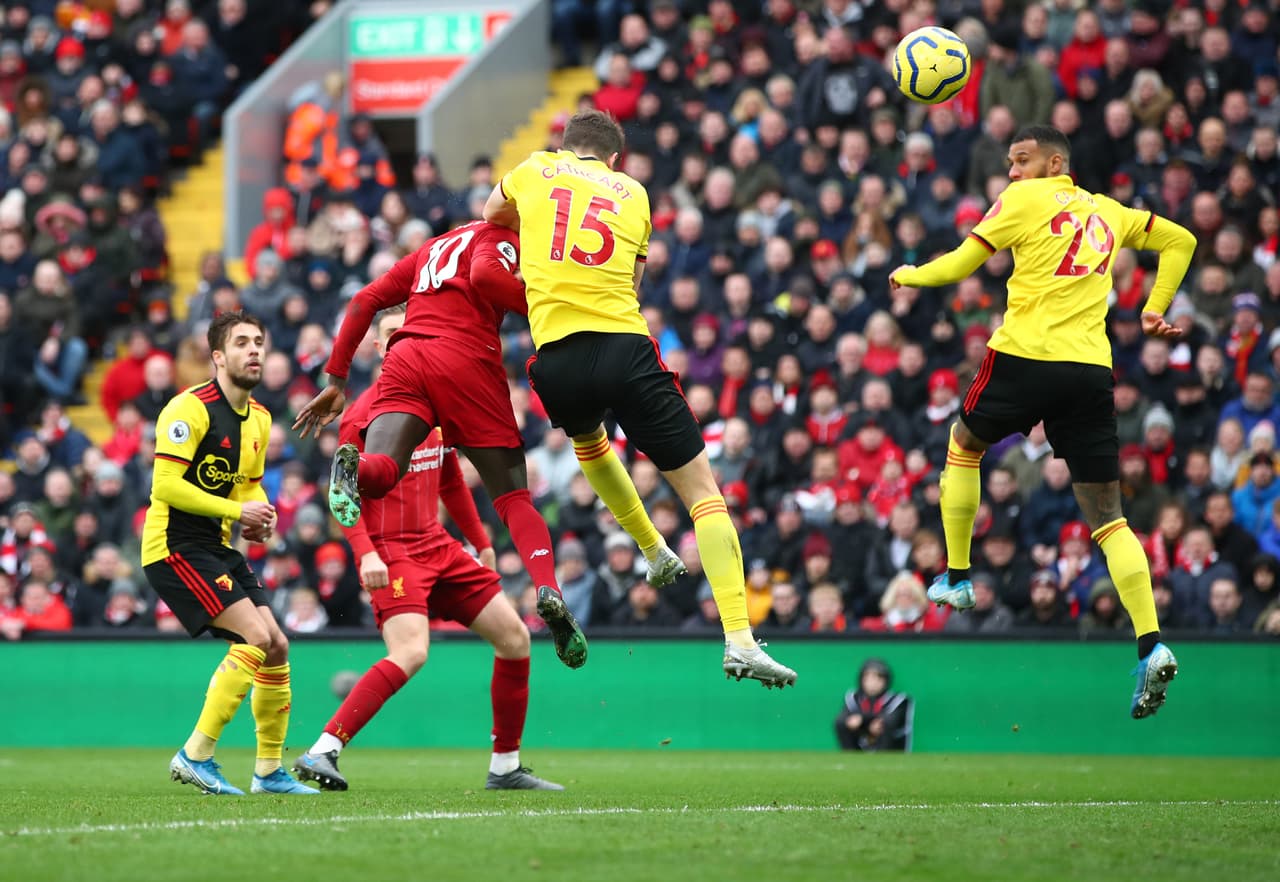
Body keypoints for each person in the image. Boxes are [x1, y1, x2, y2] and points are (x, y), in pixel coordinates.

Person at [889, 125, 1197, 720]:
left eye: (1022, 160)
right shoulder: (1110, 212)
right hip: (1089, 370)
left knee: (963, 444)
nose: (1012, 172)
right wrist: (1154, 306)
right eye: (1009, 162)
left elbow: (960, 264)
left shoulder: (1027, 199)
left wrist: (910, 273)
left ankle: (956, 576)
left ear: (1056, 162)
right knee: (1109, 519)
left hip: (1025, 358)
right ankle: (1151, 642)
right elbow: (1181, 239)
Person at [483, 109, 796, 688]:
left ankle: (651, 548)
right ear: (615, 159)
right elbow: (633, 281)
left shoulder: (536, 168)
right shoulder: (635, 193)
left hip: (557, 355)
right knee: (704, 494)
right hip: (623, 345)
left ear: (564, 146)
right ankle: (740, 639)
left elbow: (491, 215)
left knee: (587, 440)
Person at [293, 221, 589, 670]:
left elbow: (363, 300)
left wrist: (336, 378)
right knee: (513, 497)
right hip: (466, 358)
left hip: (408, 358)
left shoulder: (433, 247)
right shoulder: (504, 235)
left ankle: (353, 467)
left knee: (384, 470)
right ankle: (547, 587)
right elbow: (488, 277)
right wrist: (545, 311)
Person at [293, 306, 560, 792]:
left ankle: (505, 767)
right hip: (391, 551)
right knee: (413, 651)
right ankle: (322, 750)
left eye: (406, 332)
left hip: (439, 546)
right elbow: (343, 495)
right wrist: (365, 553)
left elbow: (451, 477)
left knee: (516, 639)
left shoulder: (434, 400)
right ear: (377, 347)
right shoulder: (360, 415)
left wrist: (480, 541)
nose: (399, 341)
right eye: (390, 334)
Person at [142, 312, 313, 795]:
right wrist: (238, 513)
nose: (254, 350)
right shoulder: (188, 409)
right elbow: (165, 485)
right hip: (173, 545)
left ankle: (269, 773)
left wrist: (259, 513)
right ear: (218, 356)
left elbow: (249, 484)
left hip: (215, 545)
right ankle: (195, 754)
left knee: (277, 645)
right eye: (241, 343)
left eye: (259, 342)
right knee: (256, 638)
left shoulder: (259, 419)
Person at [834, 658, 913, 752]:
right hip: (861, 744)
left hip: (892, 748)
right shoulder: (853, 697)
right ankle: (851, 757)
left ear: (886, 681)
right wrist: (865, 724)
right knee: (841, 723)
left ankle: (883, 758)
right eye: (867, 678)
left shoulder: (899, 700)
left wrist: (863, 719)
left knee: (883, 724)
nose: (872, 683)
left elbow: (891, 720)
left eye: (877, 678)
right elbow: (843, 717)